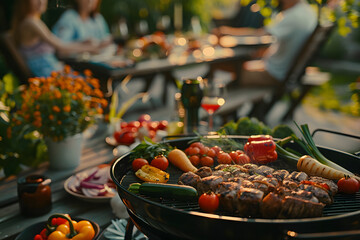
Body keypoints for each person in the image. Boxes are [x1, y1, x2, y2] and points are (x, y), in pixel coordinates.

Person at [215, 0, 318, 87]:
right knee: (242, 64)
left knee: (217, 64)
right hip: (287, 72)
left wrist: (228, 32)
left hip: (274, 75)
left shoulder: (294, 15)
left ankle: (213, 102)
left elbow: (260, 35)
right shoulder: (309, 12)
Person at [11, 0, 100, 77]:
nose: (41, 1)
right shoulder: (31, 22)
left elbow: (59, 43)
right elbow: (60, 46)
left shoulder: (31, 21)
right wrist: (91, 48)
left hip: (49, 69)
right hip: (46, 72)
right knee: (90, 82)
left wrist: (82, 43)